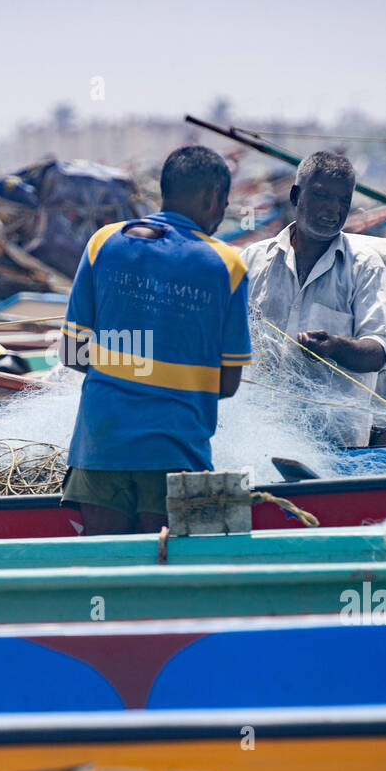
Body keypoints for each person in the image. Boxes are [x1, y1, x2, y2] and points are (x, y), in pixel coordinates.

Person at [60, 145, 252, 534]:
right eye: (225, 202)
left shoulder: (104, 242)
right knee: (175, 583)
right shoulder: (227, 265)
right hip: (177, 453)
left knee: (108, 574)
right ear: (213, 196)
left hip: (99, 447)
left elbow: (72, 353)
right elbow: (227, 384)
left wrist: (131, 363)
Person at [240, 152, 386, 447]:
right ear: (296, 195)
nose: (332, 209)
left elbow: (378, 352)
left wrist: (336, 347)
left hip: (335, 445)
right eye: (322, 196)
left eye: (343, 201)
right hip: (259, 438)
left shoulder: (364, 266)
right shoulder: (253, 261)